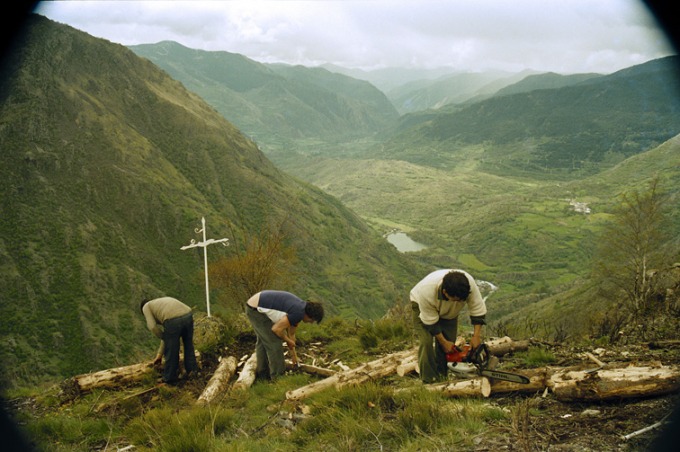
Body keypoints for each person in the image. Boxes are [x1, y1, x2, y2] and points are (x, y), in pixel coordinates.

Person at [410, 269, 487, 383]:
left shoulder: (468, 285)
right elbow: (431, 323)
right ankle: (429, 380)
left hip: (449, 312)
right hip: (422, 308)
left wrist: (476, 336)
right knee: (426, 343)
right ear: (445, 292)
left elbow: (477, 310)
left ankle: (442, 378)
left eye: (462, 300)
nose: (459, 302)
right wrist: (443, 341)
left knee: (449, 345)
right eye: (456, 299)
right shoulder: (427, 291)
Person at [245, 290, 324, 380]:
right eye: (312, 320)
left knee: (263, 342)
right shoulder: (298, 313)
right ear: (309, 315)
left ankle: (263, 375)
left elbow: (291, 334)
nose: (311, 323)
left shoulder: (301, 309)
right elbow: (276, 329)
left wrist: (294, 357)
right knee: (274, 343)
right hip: (255, 310)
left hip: (255, 304)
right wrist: (287, 340)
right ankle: (278, 377)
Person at [140, 296, 199, 384]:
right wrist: (159, 355)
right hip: (188, 315)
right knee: (188, 345)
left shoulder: (146, 307)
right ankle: (192, 371)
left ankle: (170, 378)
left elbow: (152, 327)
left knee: (172, 351)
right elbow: (167, 334)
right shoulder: (160, 304)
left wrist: (164, 337)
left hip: (174, 320)